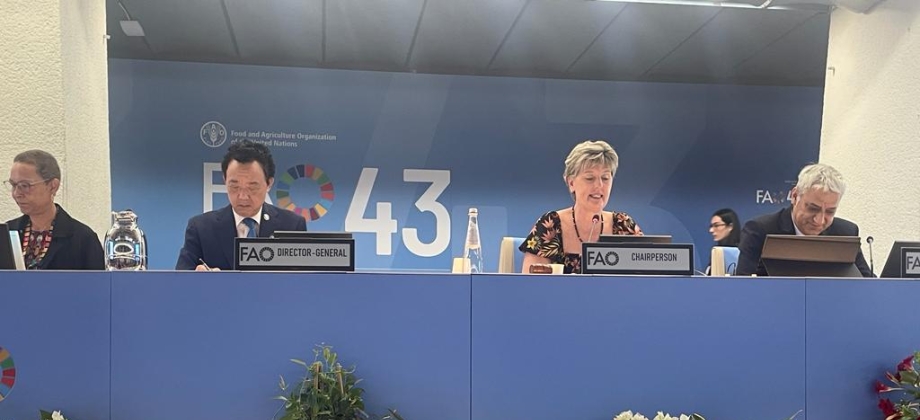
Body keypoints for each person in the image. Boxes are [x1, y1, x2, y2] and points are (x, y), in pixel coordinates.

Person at [176, 140, 307, 270]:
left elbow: (304, 283)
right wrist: (198, 280)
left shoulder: (292, 226)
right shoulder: (201, 228)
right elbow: (179, 282)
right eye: (234, 186)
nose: (243, 196)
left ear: (269, 184)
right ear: (224, 180)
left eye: (252, 187)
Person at [519, 140, 642, 274]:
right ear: (571, 183)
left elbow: (645, 282)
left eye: (605, 178)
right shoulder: (550, 226)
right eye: (590, 178)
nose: (599, 185)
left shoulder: (624, 225)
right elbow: (532, 287)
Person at [736, 163, 873, 277]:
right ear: (795, 196)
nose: (819, 220)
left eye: (830, 212)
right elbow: (743, 288)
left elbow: (869, 285)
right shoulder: (760, 231)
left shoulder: (846, 233)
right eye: (812, 208)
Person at [5, 150, 104, 270]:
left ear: (53, 186)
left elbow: (98, 286)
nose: (16, 193)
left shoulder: (82, 239)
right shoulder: (7, 233)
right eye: (13, 185)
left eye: (25, 186)